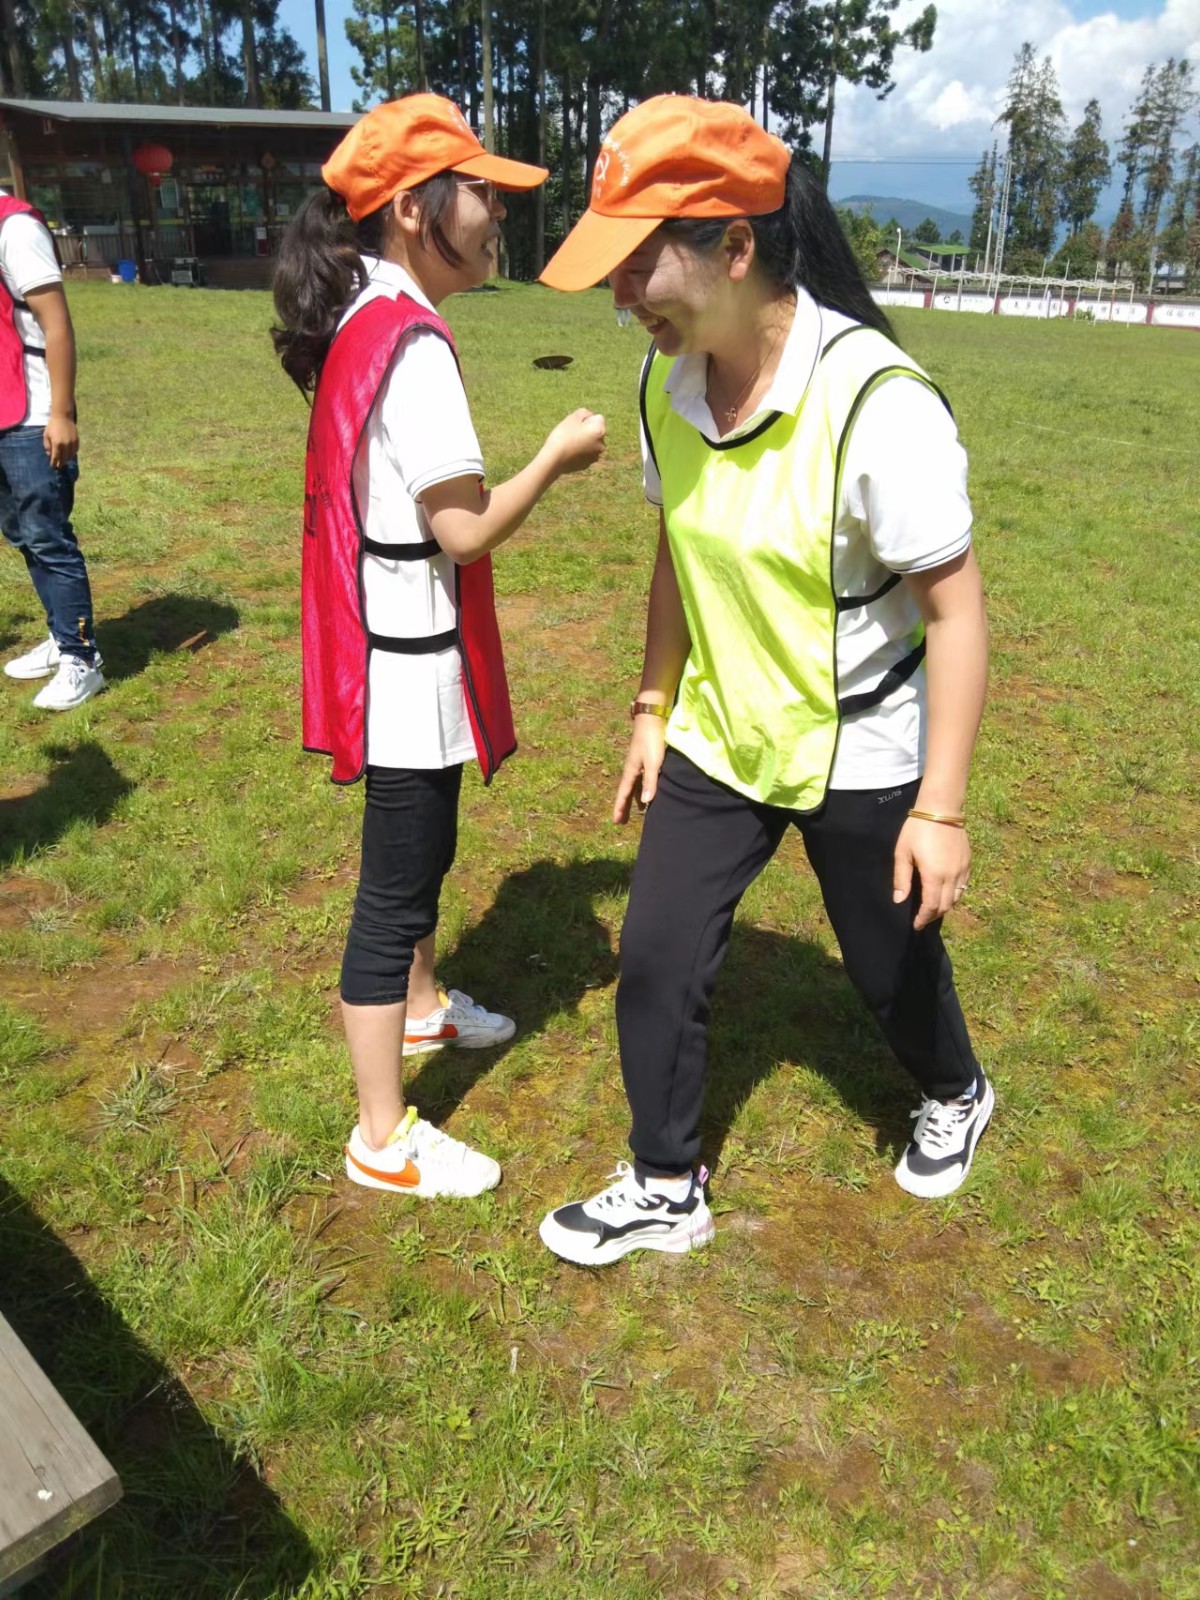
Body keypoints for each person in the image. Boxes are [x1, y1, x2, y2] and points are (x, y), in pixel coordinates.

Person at [535, 96, 991, 1266]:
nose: (621, 295)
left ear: (736, 247)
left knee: (889, 968)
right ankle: (663, 1184)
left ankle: (956, 1088)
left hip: (859, 741)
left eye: (639, 263)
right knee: (655, 953)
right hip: (723, 728)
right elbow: (677, 548)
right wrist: (652, 705)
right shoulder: (666, 384)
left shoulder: (879, 404)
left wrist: (939, 809)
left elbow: (956, 613)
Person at [272, 95, 605, 1200]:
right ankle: (382, 1136)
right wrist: (554, 457)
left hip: (398, 649)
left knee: (426, 856)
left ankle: (420, 1007)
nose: (498, 210)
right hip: (407, 668)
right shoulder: (409, 344)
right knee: (394, 892)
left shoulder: (371, 312)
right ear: (414, 210)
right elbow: (461, 529)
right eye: (482, 192)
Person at [0, 194, 105, 709]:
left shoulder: (14, 228)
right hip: (2, 412)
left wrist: (60, 413)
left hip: (33, 415)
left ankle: (82, 658)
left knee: (48, 538)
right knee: (22, 534)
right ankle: (62, 634)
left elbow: (55, 322)